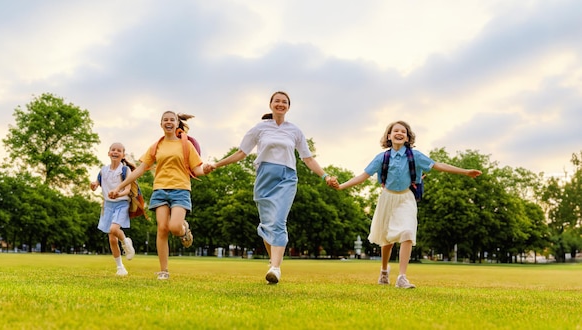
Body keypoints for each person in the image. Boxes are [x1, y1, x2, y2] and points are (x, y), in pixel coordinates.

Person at [204, 91, 337, 284]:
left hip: (287, 178)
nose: (280, 104)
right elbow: (241, 153)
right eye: (277, 101)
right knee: (266, 226)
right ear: (271, 105)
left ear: (288, 107)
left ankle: (275, 268)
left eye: (284, 102)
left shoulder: (295, 131)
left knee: (278, 222)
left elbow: (307, 158)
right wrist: (216, 165)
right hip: (264, 178)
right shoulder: (259, 128)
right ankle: (273, 263)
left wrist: (325, 176)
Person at [334, 120, 481, 288]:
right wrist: (341, 186)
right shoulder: (382, 157)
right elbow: (363, 176)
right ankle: (384, 271)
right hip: (387, 198)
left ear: (407, 137)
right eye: (395, 130)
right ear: (389, 136)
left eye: (403, 131)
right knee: (387, 239)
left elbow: (438, 165)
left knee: (407, 232)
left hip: (406, 198)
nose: (399, 133)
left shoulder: (415, 156)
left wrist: (465, 172)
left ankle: (402, 277)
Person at [109, 111, 207, 280]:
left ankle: (184, 229)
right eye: (165, 120)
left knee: (174, 227)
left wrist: (206, 169)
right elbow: (140, 169)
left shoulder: (186, 145)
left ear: (177, 124)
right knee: (162, 228)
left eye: (172, 120)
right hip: (160, 190)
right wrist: (120, 186)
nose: (168, 122)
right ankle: (164, 270)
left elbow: (197, 169)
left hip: (181, 189)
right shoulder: (156, 146)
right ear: (161, 124)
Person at [90, 142, 136, 277]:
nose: (115, 152)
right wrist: (93, 185)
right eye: (113, 150)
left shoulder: (125, 170)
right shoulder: (103, 171)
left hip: (121, 203)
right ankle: (120, 267)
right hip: (108, 206)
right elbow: (96, 184)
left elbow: (128, 190)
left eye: (119, 150)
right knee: (111, 239)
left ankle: (126, 242)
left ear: (123, 155)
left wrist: (118, 193)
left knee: (114, 229)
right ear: (109, 153)